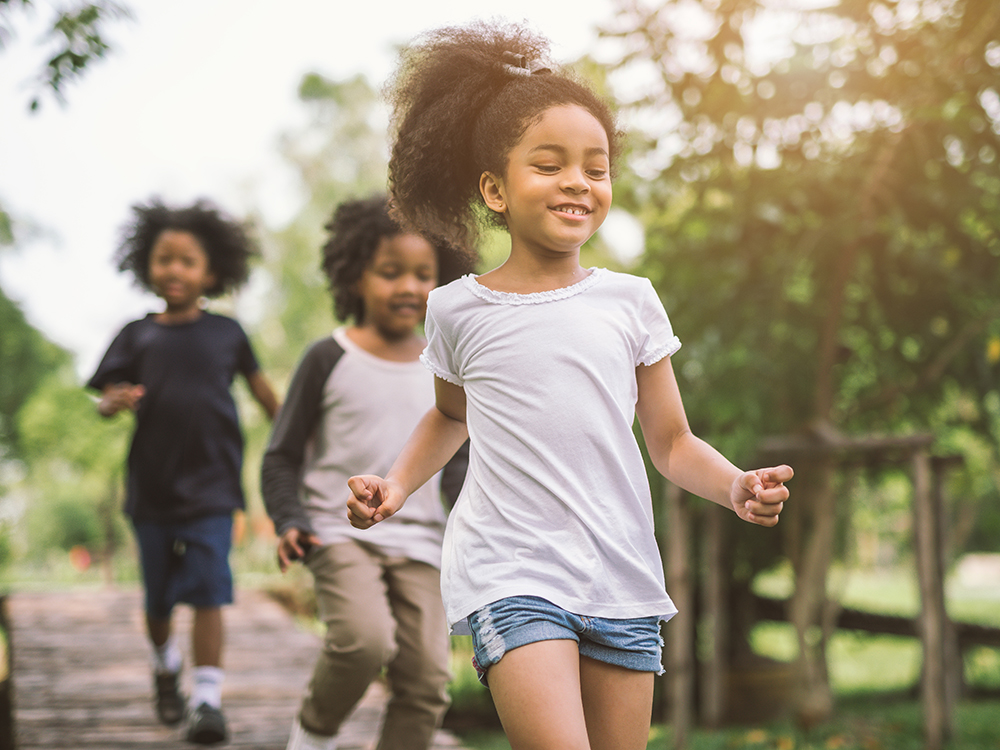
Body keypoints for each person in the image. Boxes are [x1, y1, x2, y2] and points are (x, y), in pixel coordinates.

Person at [346, 22, 795, 750]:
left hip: (619, 571)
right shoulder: (457, 308)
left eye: (596, 166)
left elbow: (673, 442)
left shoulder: (632, 302)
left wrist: (734, 485)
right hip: (509, 569)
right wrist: (397, 486)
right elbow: (448, 417)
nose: (578, 182)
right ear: (495, 188)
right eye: (549, 165)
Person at [261, 196, 473, 750]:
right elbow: (280, 454)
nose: (408, 286)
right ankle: (311, 735)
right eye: (390, 272)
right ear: (355, 276)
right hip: (336, 532)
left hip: (422, 542)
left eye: (423, 274)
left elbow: (458, 465)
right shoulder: (327, 358)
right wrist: (288, 519)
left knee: (427, 678)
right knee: (363, 641)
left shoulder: (445, 365)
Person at [88, 198, 279, 745]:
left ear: (211, 272)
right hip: (151, 488)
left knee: (210, 592)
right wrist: (113, 401)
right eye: (163, 259)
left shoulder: (228, 334)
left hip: (214, 487)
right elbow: (103, 397)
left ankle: (208, 702)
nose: (174, 269)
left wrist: (296, 435)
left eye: (187, 261)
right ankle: (164, 662)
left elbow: (265, 394)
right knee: (157, 602)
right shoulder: (136, 333)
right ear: (146, 266)